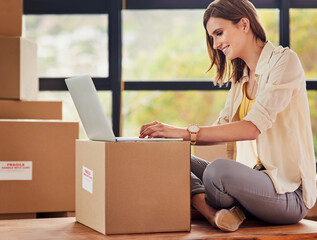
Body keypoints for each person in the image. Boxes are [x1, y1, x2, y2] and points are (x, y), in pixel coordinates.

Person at [139, 0, 316, 232]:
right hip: (254, 181)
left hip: (289, 193)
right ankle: (214, 214)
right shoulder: (241, 77)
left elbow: (252, 127)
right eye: (212, 37)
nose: (215, 44)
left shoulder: (284, 61)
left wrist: (184, 132)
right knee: (170, 156)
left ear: (244, 24)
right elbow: (222, 128)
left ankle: (212, 210)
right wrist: (173, 137)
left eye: (219, 33)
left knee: (217, 171)